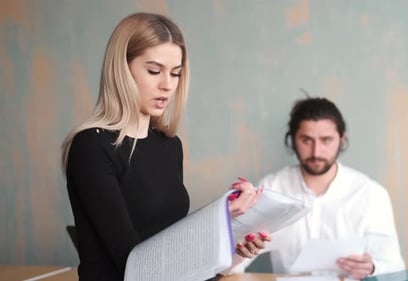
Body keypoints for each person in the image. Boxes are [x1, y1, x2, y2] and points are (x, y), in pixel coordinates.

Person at [61, 12, 269, 281]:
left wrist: (231, 255)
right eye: (154, 71)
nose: (167, 85)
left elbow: (174, 264)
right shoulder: (91, 146)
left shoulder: (169, 145)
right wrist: (218, 217)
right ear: (121, 69)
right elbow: (135, 265)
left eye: (175, 73)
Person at [233, 97, 405, 279]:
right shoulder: (271, 188)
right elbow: (233, 264)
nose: (316, 152)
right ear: (292, 139)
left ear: (341, 138)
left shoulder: (371, 194)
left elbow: (394, 266)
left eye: (326, 140)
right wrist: (236, 240)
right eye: (306, 140)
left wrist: (371, 268)